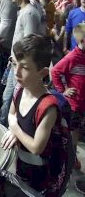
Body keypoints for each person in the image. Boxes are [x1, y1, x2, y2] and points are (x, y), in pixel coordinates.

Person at [1, 35, 72, 197]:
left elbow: (36, 147)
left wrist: (14, 127)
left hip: (45, 176)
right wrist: (13, 128)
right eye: (14, 64)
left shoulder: (48, 107)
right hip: (23, 166)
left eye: (24, 67)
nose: (16, 72)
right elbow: (12, 113)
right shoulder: (19, 90)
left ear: (43, 73)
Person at [0, 0, 42, 126]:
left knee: (12, 97)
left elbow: (29, 44)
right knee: (8, 96)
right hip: (15, 62)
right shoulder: (23, 11)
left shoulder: (29, 13)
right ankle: (4, 125)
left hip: (19, 65)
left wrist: (19, 63)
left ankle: (5, 127)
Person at [51, 23, 85, 170]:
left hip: (82, 102)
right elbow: (55, 71)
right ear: (82, 41)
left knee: (76, 130)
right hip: (74, 103)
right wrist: (63, 90)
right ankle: (69, 157)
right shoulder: (73, 56)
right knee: (72, 131)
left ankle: (71, 154)